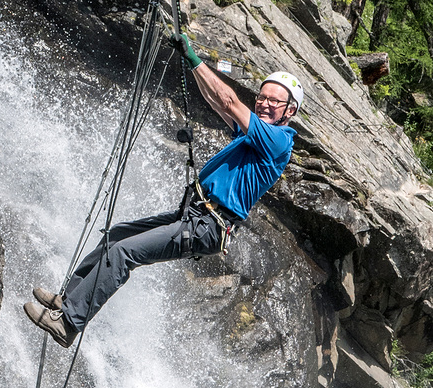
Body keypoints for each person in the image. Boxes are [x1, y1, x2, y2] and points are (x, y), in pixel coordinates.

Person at [24, 34, 303, 348]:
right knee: (116, 236)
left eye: (273, 101)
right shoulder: (256, 136)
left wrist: (196, 58)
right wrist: (191, 64)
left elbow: (229, 101)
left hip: (207, 225)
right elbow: (216, 102)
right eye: (261, 98)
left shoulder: (278, 141)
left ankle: (68, 325)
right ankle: (69, 300)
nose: (264, 104)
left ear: (289, 111)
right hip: (193, 214)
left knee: (124, 253)